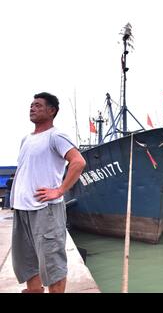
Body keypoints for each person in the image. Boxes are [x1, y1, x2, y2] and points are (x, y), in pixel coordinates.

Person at [10, 92, 86, 293]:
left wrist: (59, 190)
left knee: (53, 265)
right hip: (22, 209)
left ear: (52, 111)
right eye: (31, 105)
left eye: (38, 105)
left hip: (45, 210)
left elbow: (78, 162)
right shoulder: (26, 139)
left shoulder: (56, 136)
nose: (32, 108)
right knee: (27, 264)